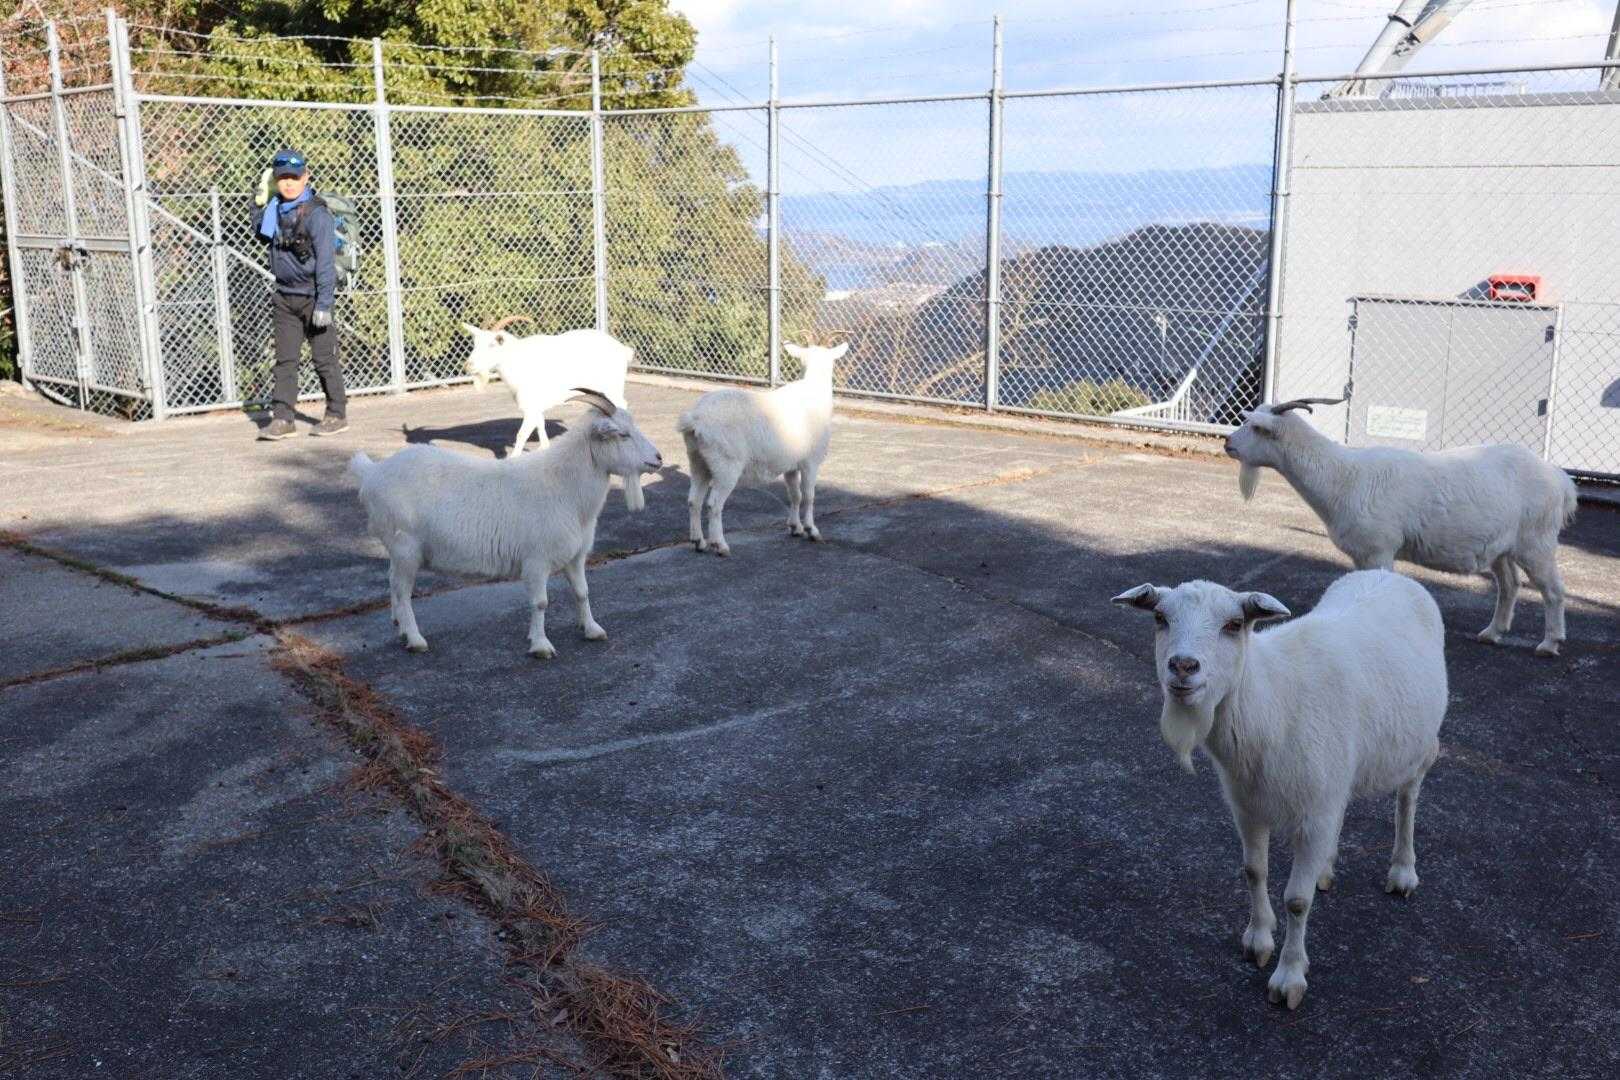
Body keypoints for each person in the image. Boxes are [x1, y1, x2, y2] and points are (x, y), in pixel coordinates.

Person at [254, 148, 347, 439]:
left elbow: (325, 262)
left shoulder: (317, 214)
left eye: (294, 177)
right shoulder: (274, 210)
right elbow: (260, 234)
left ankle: (336, 413)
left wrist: (324, 304)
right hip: (285, 296)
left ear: (306, 177)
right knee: (285, 361)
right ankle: (283, 419)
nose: (289, 183)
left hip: (313, 297)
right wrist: (259, 201)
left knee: (324, 359)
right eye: (283, 178)